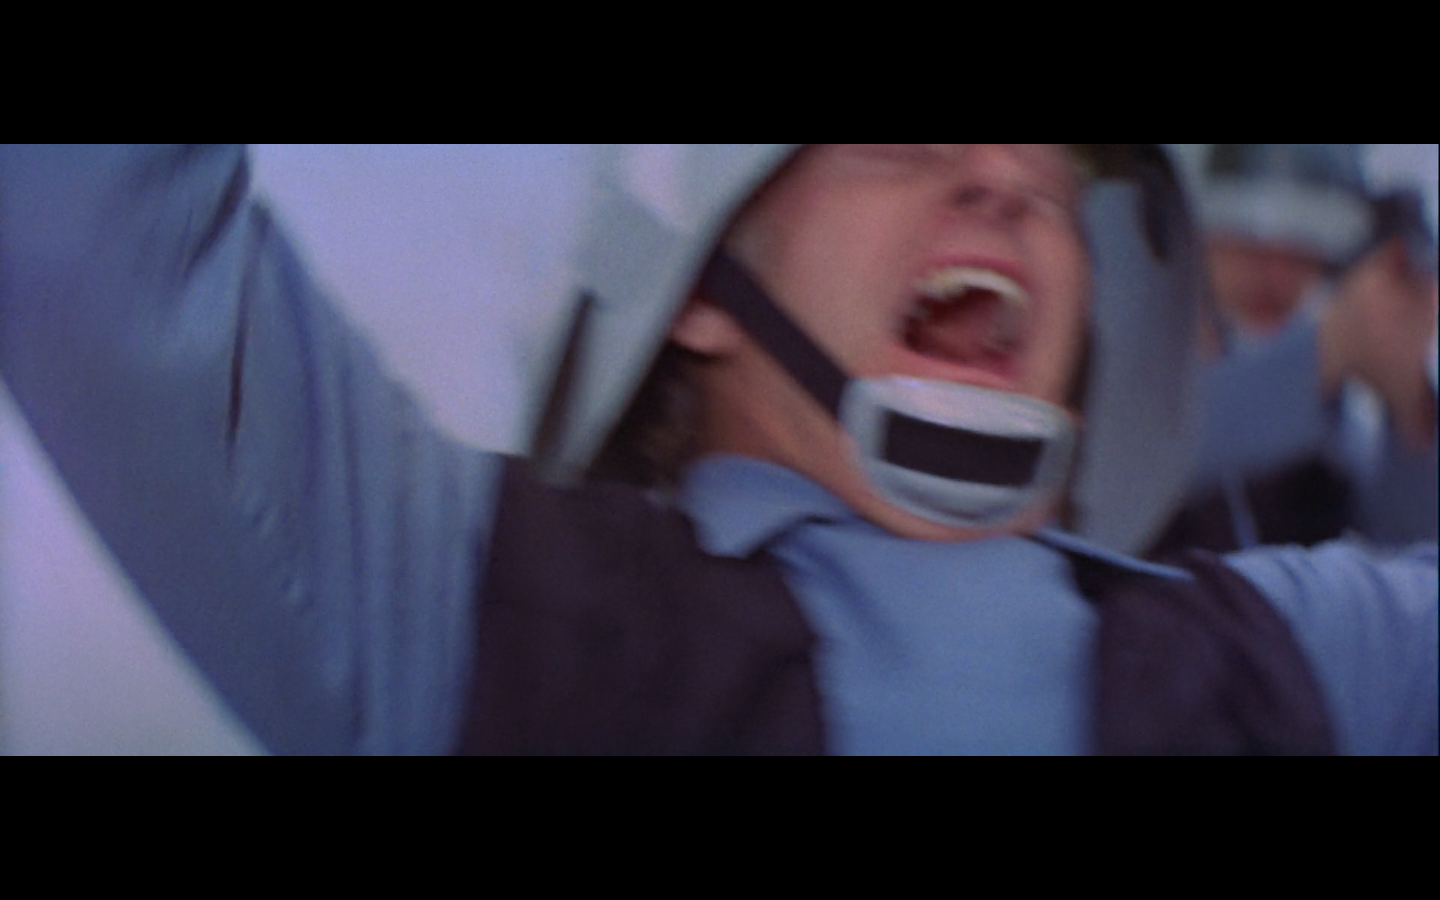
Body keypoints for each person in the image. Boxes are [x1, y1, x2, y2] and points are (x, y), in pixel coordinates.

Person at [0, 145, 1433, 754]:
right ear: (701, 290)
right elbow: (89, 243)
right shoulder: (485, 615)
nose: (1007, 177)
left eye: (1053, 174)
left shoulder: (1285, 652)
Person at [1156, 144, 1438, 555]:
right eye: (1249, 246)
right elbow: (1142, 459)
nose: (1276, 275)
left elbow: (1401, 561)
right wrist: (1327, 350)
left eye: (1301, 252)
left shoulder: (1329, 416)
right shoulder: (1139, 354)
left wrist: (1410, 411)